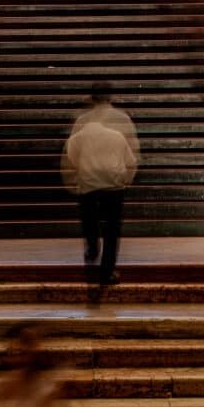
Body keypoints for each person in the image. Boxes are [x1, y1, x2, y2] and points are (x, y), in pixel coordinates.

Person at [61, 81, 139, 284]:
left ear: (91, 98)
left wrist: (74, 177)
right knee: (112, 228)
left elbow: (70, 154)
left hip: (87, 182)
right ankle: (107, 271)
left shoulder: (83, 121)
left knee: (90, 219)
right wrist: (125, 179)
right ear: (110, 97)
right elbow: (132, 154)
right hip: (114, 183)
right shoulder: (122, 119)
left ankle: (92, 246)